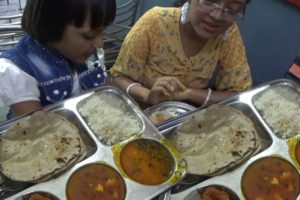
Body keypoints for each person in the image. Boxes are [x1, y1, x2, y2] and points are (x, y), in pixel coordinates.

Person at [110, 0, 252, 108]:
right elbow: (116, 78)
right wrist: (147, 96)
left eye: (233, 9)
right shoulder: (155, 22)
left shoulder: (228, 34)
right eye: (209, 1)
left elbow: (239, 94)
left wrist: (190, 94)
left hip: (184, 118)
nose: (217, 16)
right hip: (139, 111)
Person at [0, 0, 116, 119]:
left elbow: (107, 90)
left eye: (102, 32)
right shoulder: (17, 71)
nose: (100, 43)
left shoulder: (84, 51)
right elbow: (38, 129)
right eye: (89, 35)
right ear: (51, 24)